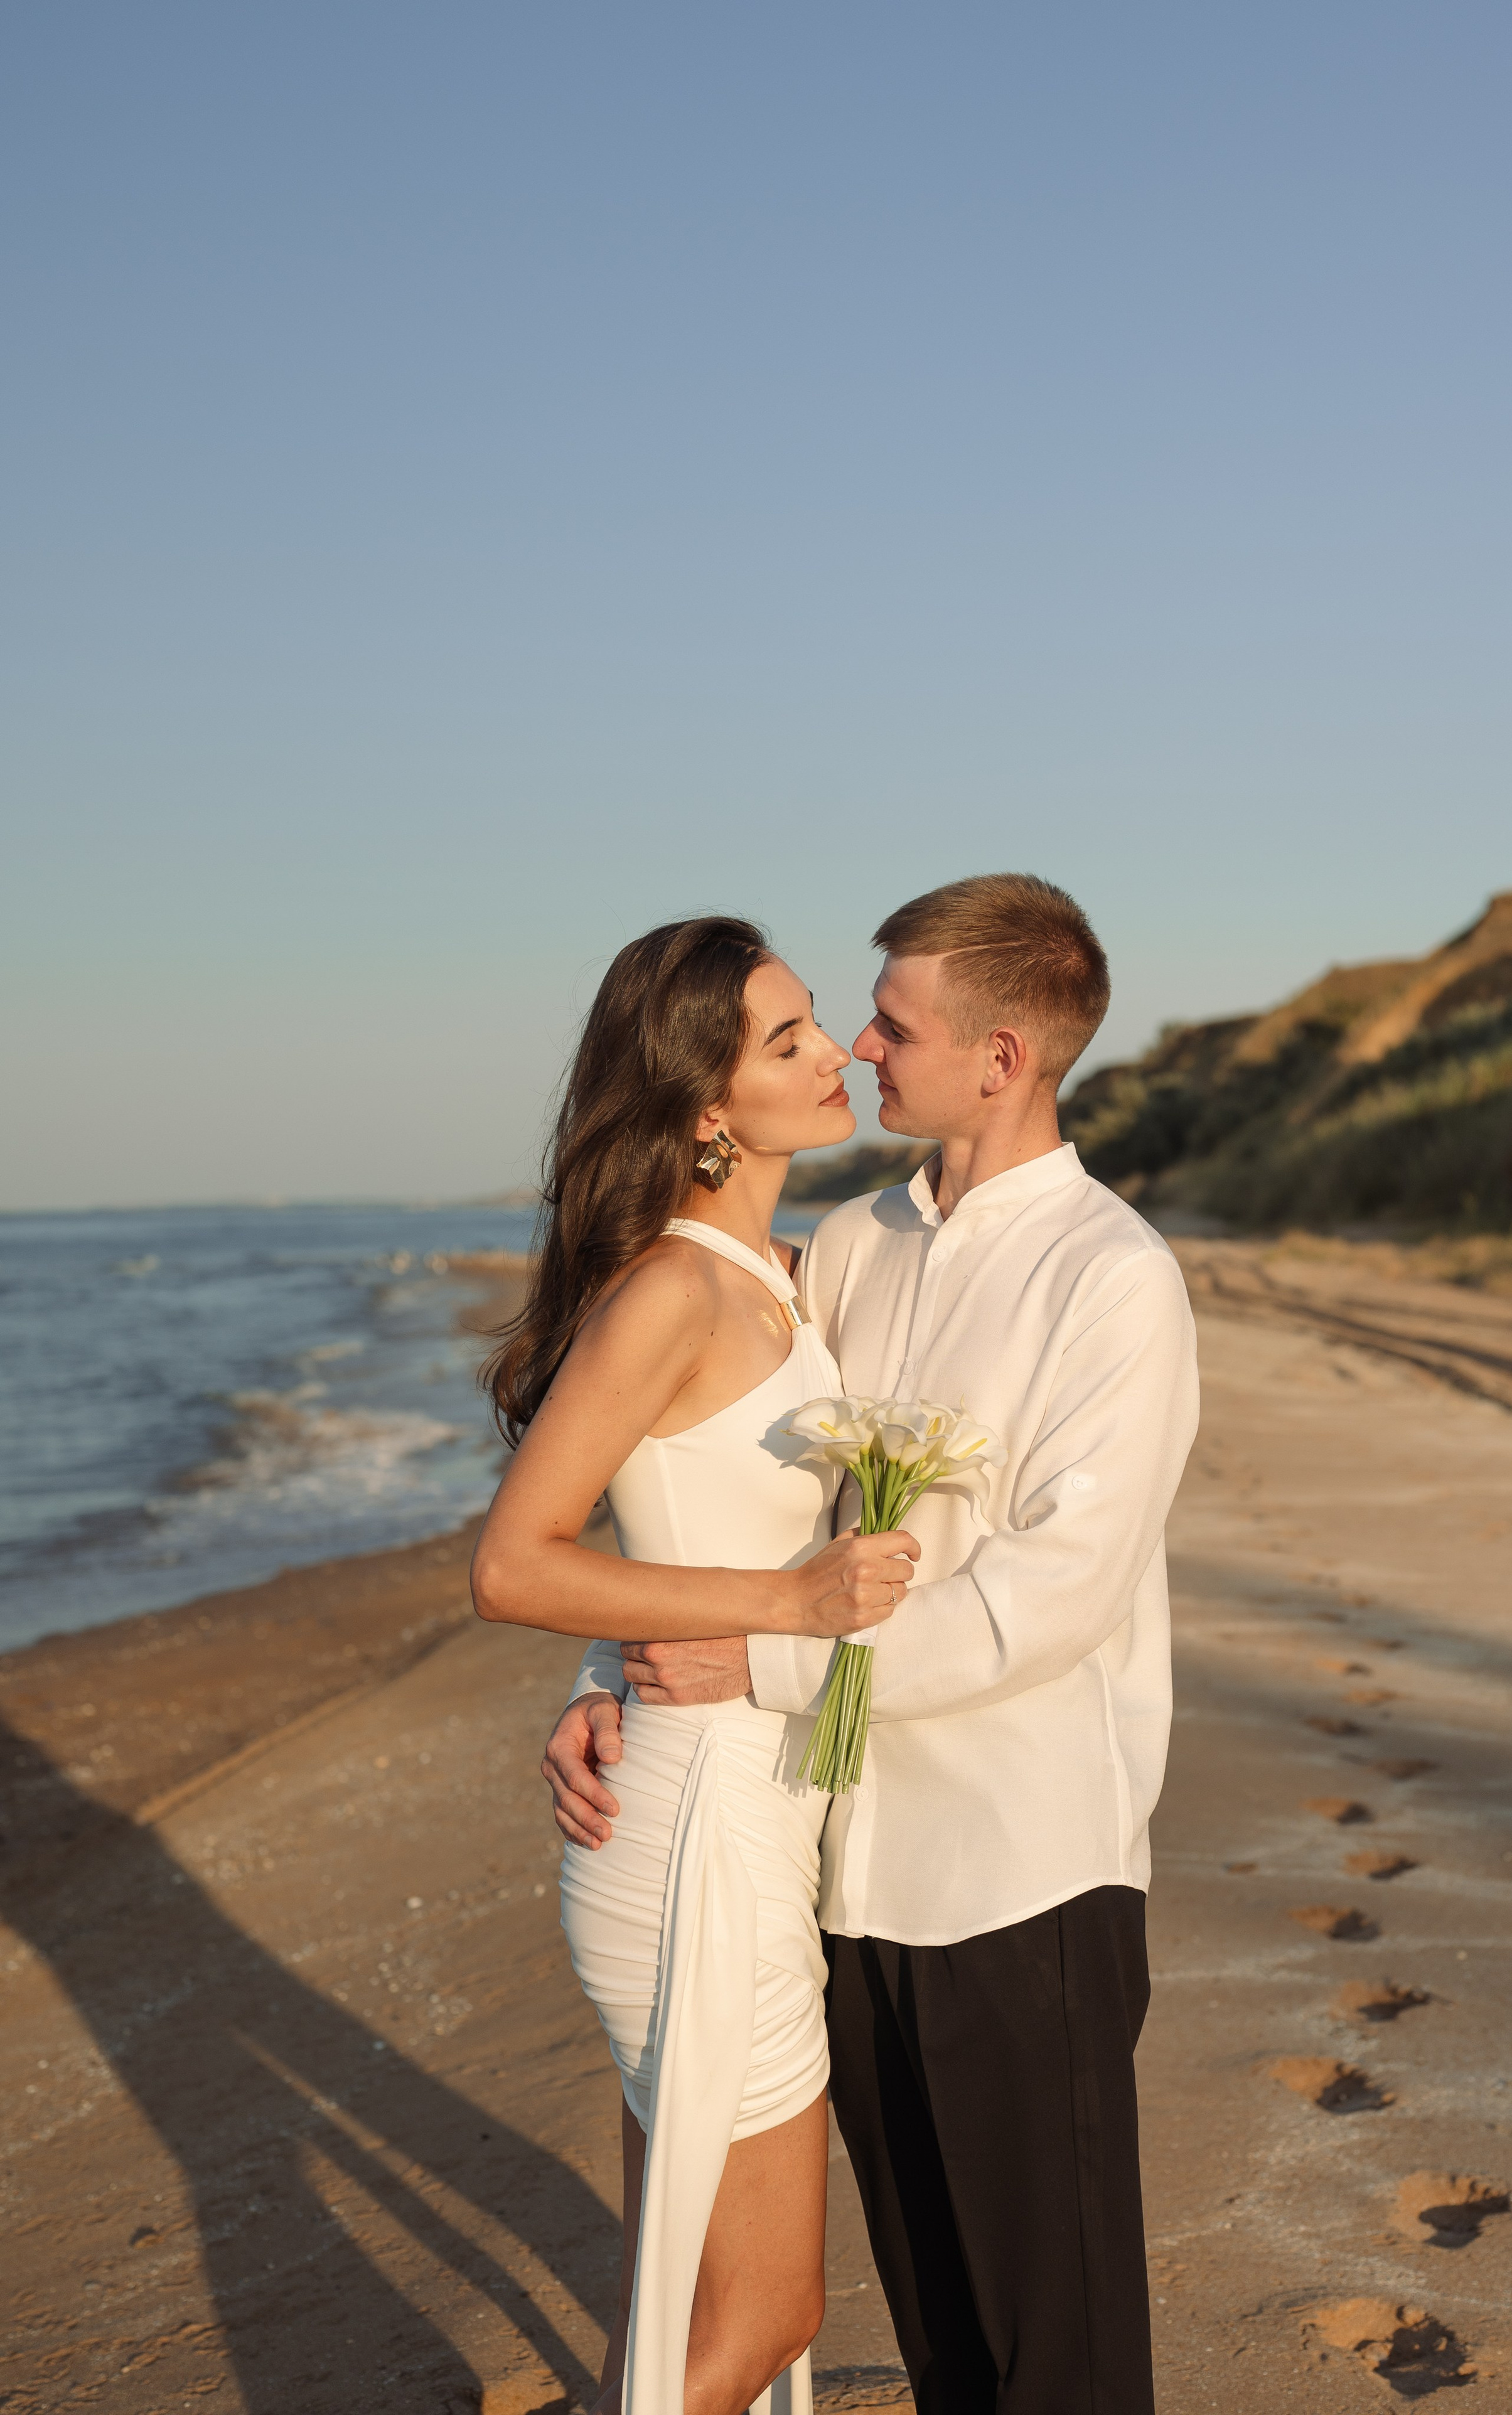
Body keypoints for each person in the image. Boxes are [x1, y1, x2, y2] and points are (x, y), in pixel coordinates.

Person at [544, 872, 1201, 2415]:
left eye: (891, 1022)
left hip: (1019, 1880)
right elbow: (723, 1514)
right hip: (839, 1881)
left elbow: (1047, 1602)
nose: (857, 1042)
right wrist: (603, 1678)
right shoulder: (847, 1245)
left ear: (1002, 1057)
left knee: (1061, 2364)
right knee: (940, 2354)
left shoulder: (1112, 1281)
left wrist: (761, 1666)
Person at [470, 913, 918, 2415]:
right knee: (766, 2307)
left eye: (819, 1024)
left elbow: (656, 1524)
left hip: (737, 1805)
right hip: (693, 1832)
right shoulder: (673, 1289)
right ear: (704, 1107)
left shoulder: (781, 1275)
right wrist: (785, 1603)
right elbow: (511, 1557)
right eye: (786, 1040)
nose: (839, 1050)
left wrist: (610, 1665)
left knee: (677, 2305)